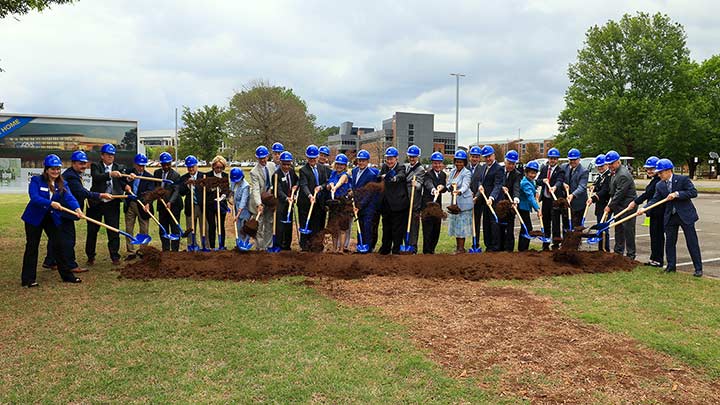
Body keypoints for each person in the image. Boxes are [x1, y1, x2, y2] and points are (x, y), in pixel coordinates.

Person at [42, 150, 111, 273]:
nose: (83, 166)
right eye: (80, 163)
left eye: (85, 163)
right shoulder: (71, 177)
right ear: (73, 163)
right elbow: (82, 192)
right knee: (69, 239)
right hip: (64, 212)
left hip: (64, 212)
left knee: (56, 237)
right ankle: (71, 265)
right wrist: (100, 195)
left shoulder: (73, 174)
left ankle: (50, 261)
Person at [21, 154, 83, 287]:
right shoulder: (36, 180)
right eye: (52, 169)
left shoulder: (62, 182)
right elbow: (34, 197)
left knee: (59, 245)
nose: (55, 172)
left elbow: (70, 197)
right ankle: (28, 279)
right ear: (46, 169)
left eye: (58, 169)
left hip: (51, 217)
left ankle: (67, 276)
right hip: (34, 218)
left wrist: (77, 209)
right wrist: (51, 203)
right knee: (32, 246)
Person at [640, 159, 702, 277]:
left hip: (685, 215)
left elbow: (693, 192)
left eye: (661, 172)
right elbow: (655, 199)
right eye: (658, 173)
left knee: (692, 242)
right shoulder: (659, 185)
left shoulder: (682, 180)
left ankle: (698, 268)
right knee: (669, 242)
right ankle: (671, 266)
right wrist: (645, 208)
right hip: (670, 217)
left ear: (668, 171)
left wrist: (677, 194)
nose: (659, 175)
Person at [86, 143, 126, 265]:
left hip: (112, 204)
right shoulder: (95, 166)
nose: (110, 157)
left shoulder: (119, 167)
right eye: (108, 155)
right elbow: (97, 177)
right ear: (102, 155)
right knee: (92, 230)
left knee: (113, 230)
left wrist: (129, 179)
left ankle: (115, 256)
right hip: (96, 203)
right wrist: (110, 174)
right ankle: (90, 256)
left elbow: (124, 181)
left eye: (112, 155)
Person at [629, 157, 664, 267]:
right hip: (653, 212)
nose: (649, 171)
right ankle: (654, 258)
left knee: (658, 237)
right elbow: (647, 194)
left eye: (652, 169)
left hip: (659, 212)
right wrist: (635, 202)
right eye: (647, 169)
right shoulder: (654, 180)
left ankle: (658, 260)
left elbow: (648, 194)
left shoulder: (658, 181)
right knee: (654, 236)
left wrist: (636, 203)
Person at [604, 150, 637, 259]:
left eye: (611, 163)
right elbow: (613, 191)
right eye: (608, 164)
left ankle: (631, 254)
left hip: (628, 206)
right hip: (619, 205)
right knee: (618, 228)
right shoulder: (615, 172)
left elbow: (620, 193)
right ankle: (618, 252)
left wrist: (609, 206)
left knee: (628, 230)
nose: (609, 166)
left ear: (618, 162)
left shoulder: (623, 174)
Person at [471, 145, 503, 251]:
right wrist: (480, 185)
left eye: (489, 156)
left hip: (493, 201)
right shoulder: (484, 167)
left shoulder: (498, 168)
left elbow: (498, 185)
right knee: (486, 224)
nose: (488, 159)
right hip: (484, 200)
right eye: (486, 157)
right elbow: (481, 180)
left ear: (494, 155)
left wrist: (492, 197)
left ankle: (495, 247)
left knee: (494, 224)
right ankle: (488, 245)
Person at [123, 153, 154, 259]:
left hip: (143, 205)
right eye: (139, 165)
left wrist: (148, 203)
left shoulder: (149, 177)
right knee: (129, 228)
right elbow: (121, 182)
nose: (141, 168)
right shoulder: (127, 173)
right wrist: (127, 183)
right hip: (130, 203)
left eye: (143, 165)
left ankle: (143, 250)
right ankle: (130, 251)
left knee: (144, 229)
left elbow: (150, 192)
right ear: (135, 164)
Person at [378, 146, 408, 255]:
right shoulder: (384, 167)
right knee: (386, 228)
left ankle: (396, 250)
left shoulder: (401, 167)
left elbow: (401, 176)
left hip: (398, 205)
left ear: (396, 159)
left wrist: (393, 178)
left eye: (391, 159)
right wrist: (383, 176)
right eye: (388, 159)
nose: (389, 161)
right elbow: (379, 177)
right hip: (386, 205)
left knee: (397, 229)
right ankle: (385, 249)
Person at [298, 145, 328, 251]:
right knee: (306, 224)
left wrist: (321, 187)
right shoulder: (303, 170)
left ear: (317, 157)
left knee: (317, 225)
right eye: (310, 158)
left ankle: (316, 245)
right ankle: (305, 247)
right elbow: (303, 185)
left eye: (314, 158)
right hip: (306, 203)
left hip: (319, 202)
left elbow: (326, 182)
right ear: (307, 158)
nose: (312, 160)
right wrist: (310, 195)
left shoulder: (323, 168)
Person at [350, 149, 381, 252]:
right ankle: (360, 247)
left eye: (363, 160)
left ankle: (367, 249)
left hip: (368, 206)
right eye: (359, 160)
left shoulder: (371, 175)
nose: (361, 162)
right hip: (357, 204)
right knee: (360, 227)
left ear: (368, 162)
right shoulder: (354, 171)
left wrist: (360, 206)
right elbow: (354, 187)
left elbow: (369, 194)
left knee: (367, 228)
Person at [152, 152, 183, 252]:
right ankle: (165, 249)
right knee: (163, 228)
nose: (166, 166)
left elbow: (176, 190)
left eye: (168, 164)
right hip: (162, 206)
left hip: (173, 206)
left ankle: (174, 251)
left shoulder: (176, 175)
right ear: (160, 164)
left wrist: (170, 202)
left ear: (171, 163)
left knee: (174, 228)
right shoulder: (156, 173)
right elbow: (155, 187)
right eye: (164, 164)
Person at [537, 147, 565, 250]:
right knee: (546, 221)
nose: (552, 160)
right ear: (548, 158)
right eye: (550, 158)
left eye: (554, 158)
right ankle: (545, 244)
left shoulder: (560, 170)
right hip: (546, 199)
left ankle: (556, 245)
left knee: (555, 222)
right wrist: (542, 180)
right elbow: (538, 180)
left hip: (555, 200)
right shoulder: (544, 168)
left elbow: (560, 180)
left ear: (557, 159)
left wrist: (555, 187)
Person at [447, 150, 473, 253]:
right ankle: (458, 248)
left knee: (462, 226)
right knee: (456, 225)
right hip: (455, 202)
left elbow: (466, 185)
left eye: (461, 162)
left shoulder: (467, 172)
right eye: (457, 161)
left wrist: (459, 191)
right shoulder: (453, 171)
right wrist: (450, 188)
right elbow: (449, 183)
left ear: (465, 162)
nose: (458, 164)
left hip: (464, 202)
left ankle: (461, 248)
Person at [421, 151, 447, 254]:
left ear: (442, 164)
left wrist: (442, 187)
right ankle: (427, 252)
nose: (437, 165)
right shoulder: (428, 174)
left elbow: (444, 188)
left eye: (439, 163)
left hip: (437, 208)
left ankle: (432, 250)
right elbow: (428, 183)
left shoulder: (443, 175)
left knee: (436, 231)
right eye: (435, 163)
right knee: (428, 231)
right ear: (432, 163)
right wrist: (433, 189)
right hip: (427, 207)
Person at [178, 155, 206, 249]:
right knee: (190, 228)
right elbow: (181, 192)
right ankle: (191, 245)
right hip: (190, 207)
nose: (191, 169)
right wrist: (187, 186)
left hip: (202, 206)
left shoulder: (203, 176)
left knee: (204, 228)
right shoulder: (183, 178)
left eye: (192, 166)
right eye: (189, 167)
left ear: (196, 166)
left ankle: (205, 246)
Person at [273, 151, 298, 250]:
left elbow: (297, 181)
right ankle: (279, 245)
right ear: (280, 163)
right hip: (280, 203)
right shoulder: (276, 175)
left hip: (290, 203)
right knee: (280, 225)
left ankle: (287, 245)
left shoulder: (291, 171)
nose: (286, 166)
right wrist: (286, 198)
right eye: (284, 164)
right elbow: (278, 190)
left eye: (288, 164)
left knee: (289, 225)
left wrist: (296, 188)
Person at [326, 153, 352, 252]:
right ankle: (334, 248)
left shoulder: (345, 175)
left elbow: (341, 181)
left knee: (342, 227)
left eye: (341, 164)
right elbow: (330, 184)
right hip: (334, 203)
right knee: (334, 227)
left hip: (343, 203)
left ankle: (341, 249)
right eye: (338, 164)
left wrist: (335, 187)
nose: (339, 166)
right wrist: (331, 186)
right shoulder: (333, 173)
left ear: (345, 166)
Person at [497, 150, 522, 252]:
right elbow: (496, 183)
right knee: (499, 227)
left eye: (513, 164)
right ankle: (500, 247)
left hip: (511, 205)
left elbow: (517, 187)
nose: (511, 166)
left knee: (509, 227)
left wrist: (516, 199)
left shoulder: (517, 174)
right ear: (505, 161)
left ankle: (509, 249)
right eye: (509, 163)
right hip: (499, 204)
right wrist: (501, 187)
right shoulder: (499, 170)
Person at [205, 155, 229, 249]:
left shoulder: (225, 176)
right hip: (210, 204)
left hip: (221, 204)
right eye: (217, 167)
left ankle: (221, 245)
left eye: (221, 168)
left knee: (221, 225)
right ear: (213, 166)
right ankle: (212, 246)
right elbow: (206, 190)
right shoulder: (207, 175)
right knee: (212, 225)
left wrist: (223, 196)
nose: (219, 169)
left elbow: (226, 189)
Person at [588, 154, 611, 252]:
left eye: (602, 166)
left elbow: (605, 190)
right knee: (600, 226)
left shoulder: (609, 176)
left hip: (606, 205)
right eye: (598, 166)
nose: (600, 168)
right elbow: (598, 186)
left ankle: (605, 249)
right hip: (599, 205)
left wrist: (593, 198)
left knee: (603, 228)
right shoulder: (600, 176)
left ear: (606, 165)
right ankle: (600, 248)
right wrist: (593, 187)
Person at [404, 145, 425, 253]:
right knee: (405, 224)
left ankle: (413, 247)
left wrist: (415, 184)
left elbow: (420, 185)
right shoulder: (406, 167)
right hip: (405, 201)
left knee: (413, 226)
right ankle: (406, 244)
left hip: (414, 202)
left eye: (414, 157)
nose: (412, 159)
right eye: (410, 156)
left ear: (418, 157)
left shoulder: (420, 169)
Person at [518, 160, 542, 252]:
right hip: (522, 208)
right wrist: (538, 209)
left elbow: (534, 188)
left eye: (535, 173)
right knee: (527, 228)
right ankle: (523, 249)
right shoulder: (525, 183)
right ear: (526, 172)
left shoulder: (531, 181)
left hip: (526, 207)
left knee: (525, 228)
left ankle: (522, 248)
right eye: (531, 173)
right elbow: (530, 197)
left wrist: (536, 192)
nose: (533, 175)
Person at [563, 148, 589, 230]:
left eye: (575, 159)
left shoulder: (584, 171)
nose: (572, 161)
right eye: (571, 159)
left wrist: (573, 195)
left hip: (579, 204)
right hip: (567, 204)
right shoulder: (564, 168)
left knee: (577, 228)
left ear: (579, 159)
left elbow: (582, 187)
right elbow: (560, 179)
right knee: (566, 227)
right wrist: (563, 184)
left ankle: (576, 242)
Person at [230, 167, 251, 246]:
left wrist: (237, 215)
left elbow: (243, 201)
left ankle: (245, 244)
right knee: (238, 228)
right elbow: (231, 192)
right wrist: (230, 199)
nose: (236, 182)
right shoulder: (233, 182)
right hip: (236, 208)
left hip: (244, 210)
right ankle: (239, 245)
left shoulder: (246, 186)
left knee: (244, 228)